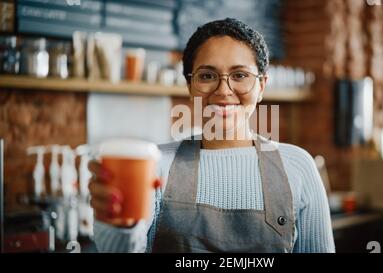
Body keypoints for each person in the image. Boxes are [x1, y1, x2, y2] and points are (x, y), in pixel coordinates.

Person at [89, 18, 335, 253]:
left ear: (261, 86)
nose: (223, 90)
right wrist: (117, 223)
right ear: (190, 86)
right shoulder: (155, 164)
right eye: (207, 76)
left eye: (240, 75)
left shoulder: (298, 166)